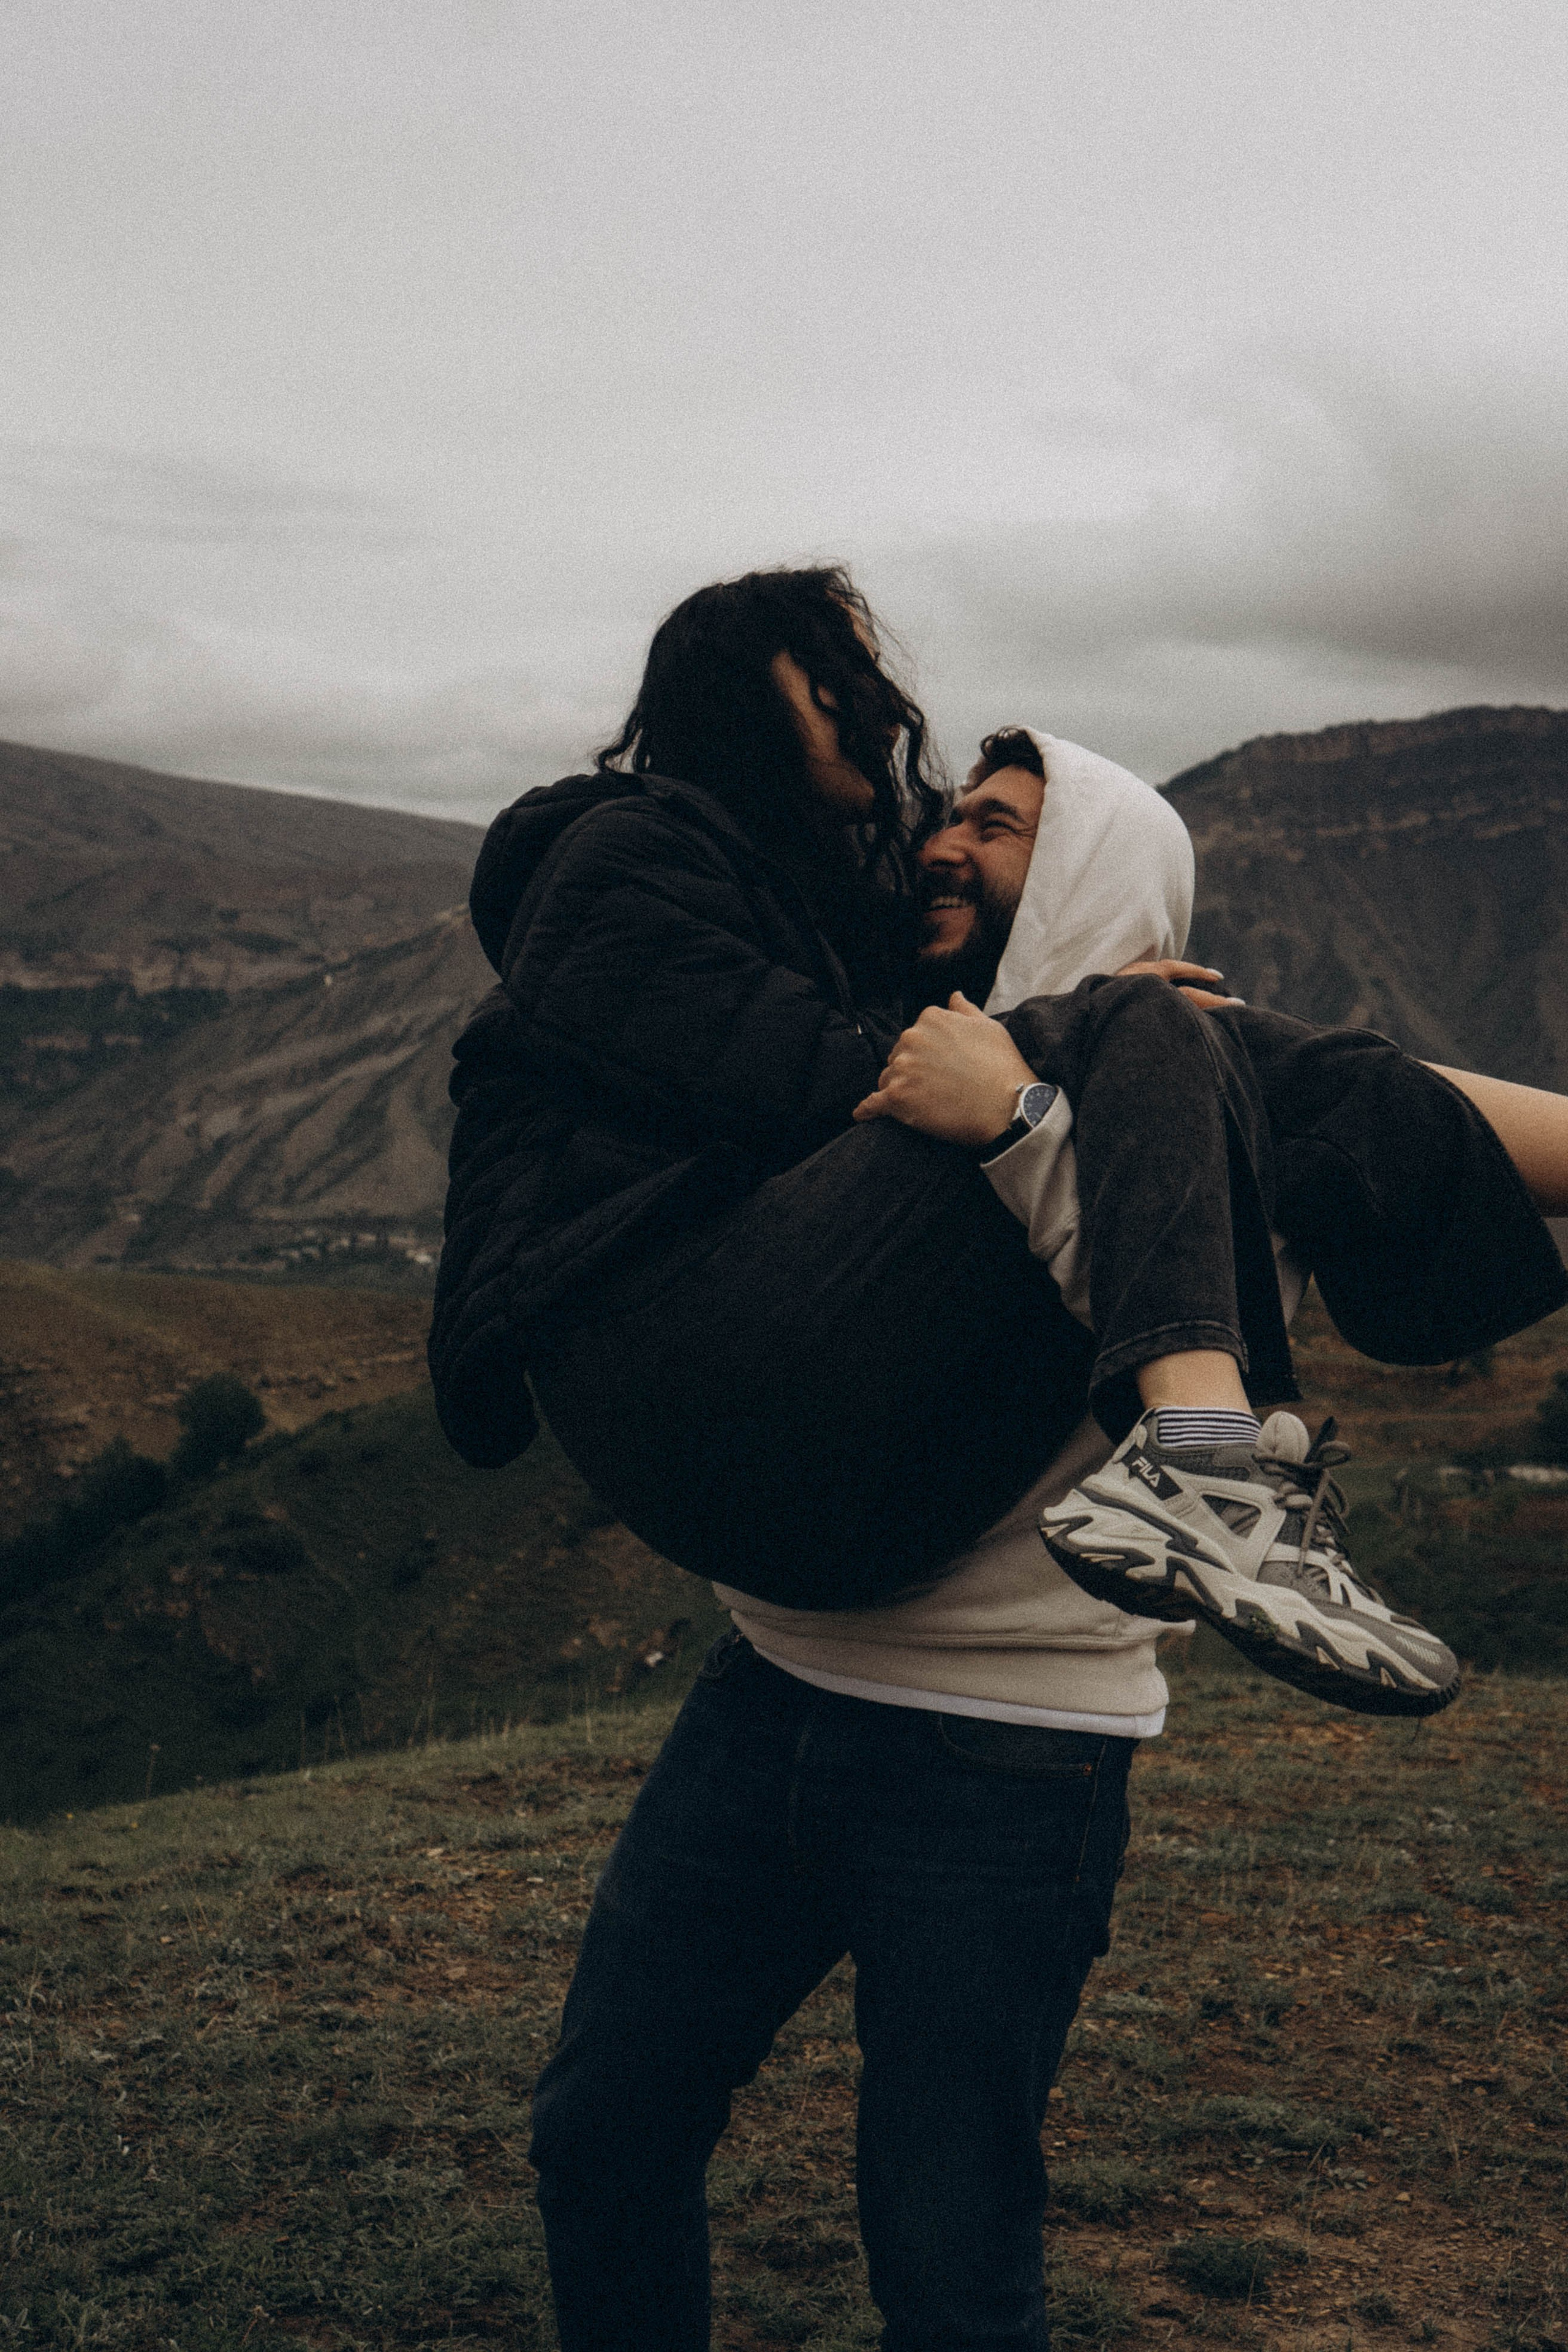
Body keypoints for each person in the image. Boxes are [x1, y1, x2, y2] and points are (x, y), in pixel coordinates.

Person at [429, 567, 1568, 2350]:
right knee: (598, 2131)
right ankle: (1221, 1449)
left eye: (1003, 827)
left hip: (1010, 1749)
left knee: (950, 2242)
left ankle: (1210, 1457)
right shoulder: (903, 1063)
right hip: (778, 1683)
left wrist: (1045, 1105)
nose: (940, 839)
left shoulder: (1149, 1124)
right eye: (946, 808)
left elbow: (1176, 1134)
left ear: (1101, 879)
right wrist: (1031, 1078)